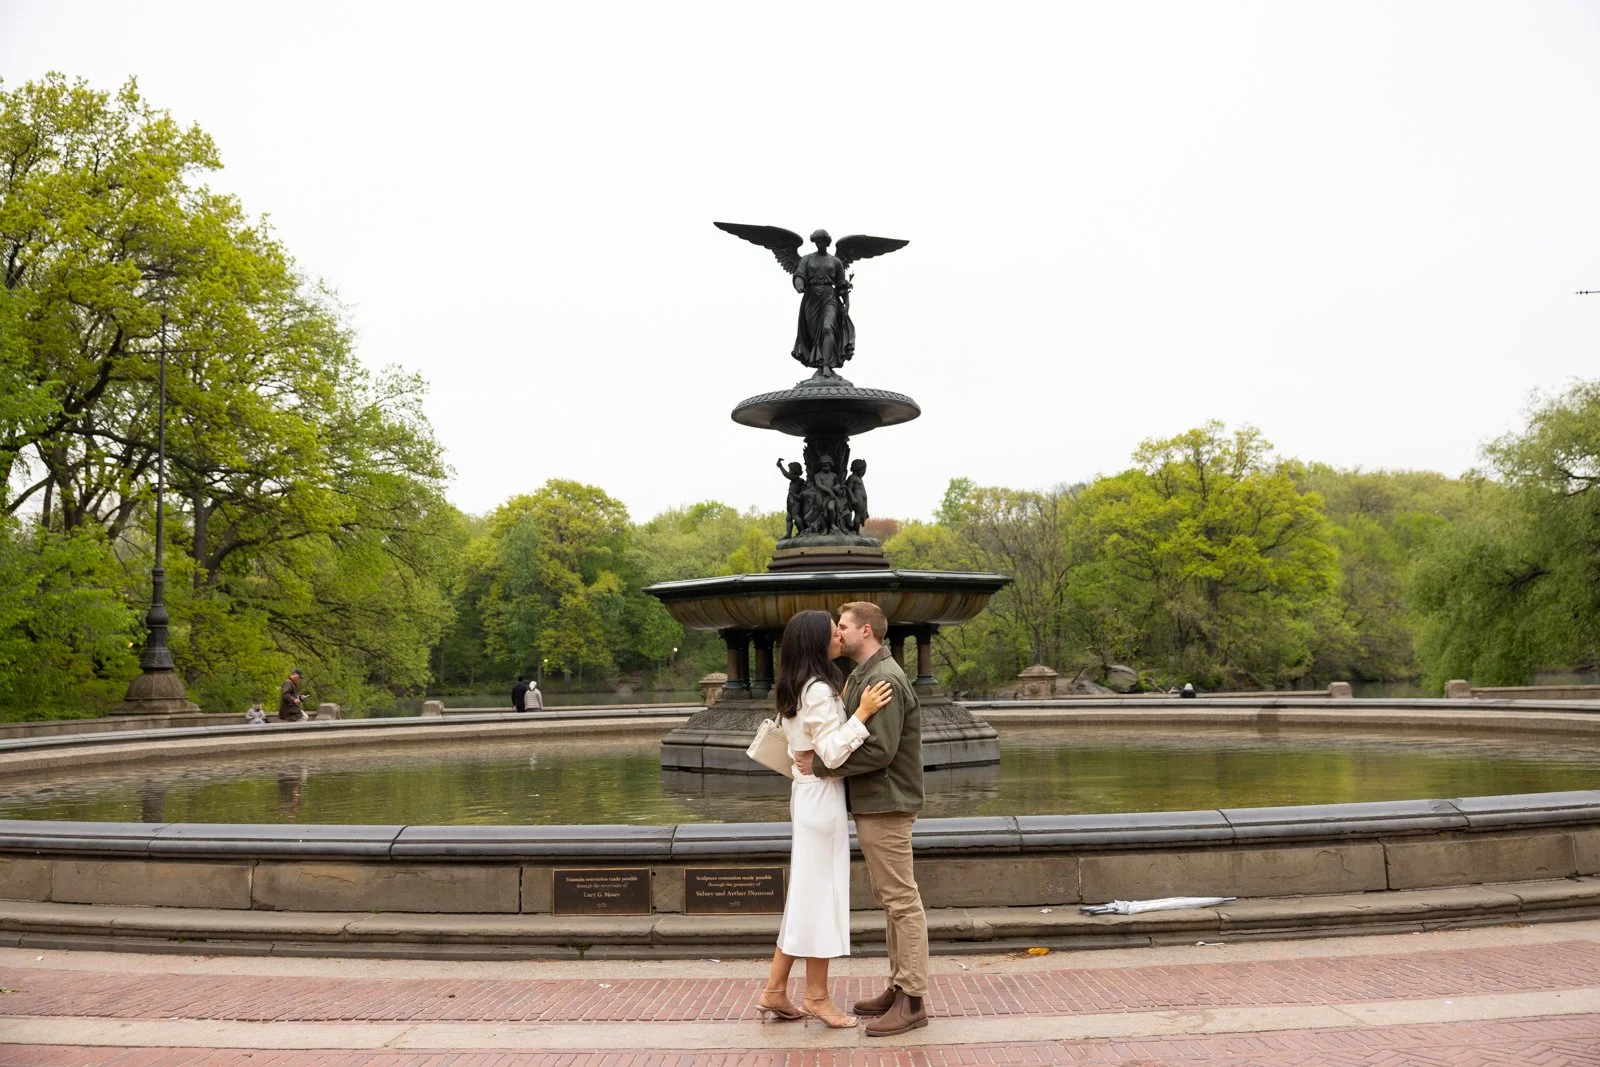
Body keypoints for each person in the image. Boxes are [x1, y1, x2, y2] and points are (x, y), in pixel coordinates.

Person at [797, 601, 929, 1037]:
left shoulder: (884, 679)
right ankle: (898, 987)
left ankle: (912, 1001)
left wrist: (818, 765)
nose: (837, 632)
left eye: (843, 626)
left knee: (901, 901)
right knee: (892, 899)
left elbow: (879, 751)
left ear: (865, 630)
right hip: (874, 801)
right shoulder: (862, 675)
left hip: (887, 801)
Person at [758, 609, 893, 1029]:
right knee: (822, 898)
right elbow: (833, 754)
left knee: (806, 895)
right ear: (817, 642)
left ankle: (776, 990)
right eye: (832, 631)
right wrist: (863, 714)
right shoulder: (817, 690)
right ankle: (817, 995)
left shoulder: (798, 686)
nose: (839, 635)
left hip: (807, 796)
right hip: (821, 797)